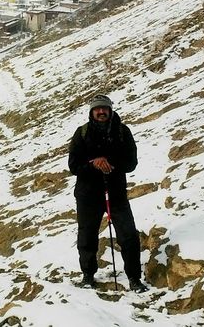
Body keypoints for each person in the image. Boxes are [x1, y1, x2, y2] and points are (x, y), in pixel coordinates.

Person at [68, 94, 146, 292]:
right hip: (87, 194)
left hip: (116, 193)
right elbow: (73, 166)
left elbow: (131, 163)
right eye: (97, 109)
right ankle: (87, 275)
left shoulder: (122, 131)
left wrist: (108, 162)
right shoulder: (82, 133)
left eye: (104, 109)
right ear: (91, 112)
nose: (101, 112)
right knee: (87, 236)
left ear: (110, 111)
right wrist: (93, 163)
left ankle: (134, 278)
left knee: (128, 235)